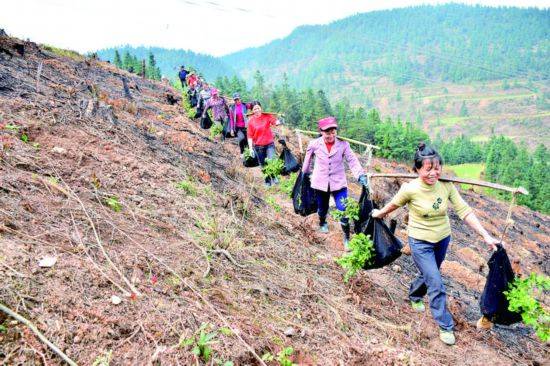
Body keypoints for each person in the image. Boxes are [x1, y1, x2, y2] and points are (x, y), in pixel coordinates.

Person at [371, 143, 501, 346]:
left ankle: (414, 294)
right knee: (436, 282)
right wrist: (378, 214)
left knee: (430, 273)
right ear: (417, 170)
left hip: (442, 239)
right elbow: (393, 204)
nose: (434, 173)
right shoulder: (410, 189)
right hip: (419, 241)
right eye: (428, 169)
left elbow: (464, 211)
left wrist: (485, 235)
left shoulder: (446, 185)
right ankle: (445, 325)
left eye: (437, 168)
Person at [301, 117, 369, 248]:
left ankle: (346, 237)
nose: (331, 135)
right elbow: (307, 161)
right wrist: (304, 174)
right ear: (321, 132)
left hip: (338, 183)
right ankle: (322, 222)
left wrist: (360, 175)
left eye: (333, 132)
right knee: (322, 207)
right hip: (320, 182)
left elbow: (352, 160)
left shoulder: (343, 144)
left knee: (343, 209)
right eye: (327, 132)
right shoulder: (314, 144)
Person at [247, 102, 281, 186]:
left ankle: (274, 176)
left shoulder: (267, 116)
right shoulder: (251, 121)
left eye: (258, 108)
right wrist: (251, 148)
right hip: (258, 147)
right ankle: (267, 180)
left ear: (261, 108)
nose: (257, 110)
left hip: (269, 144)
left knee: (271, 160)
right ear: (252, 110)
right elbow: (249, 136)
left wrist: (278, 121)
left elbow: (274, 122)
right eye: (255, 109)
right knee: (263, 164)